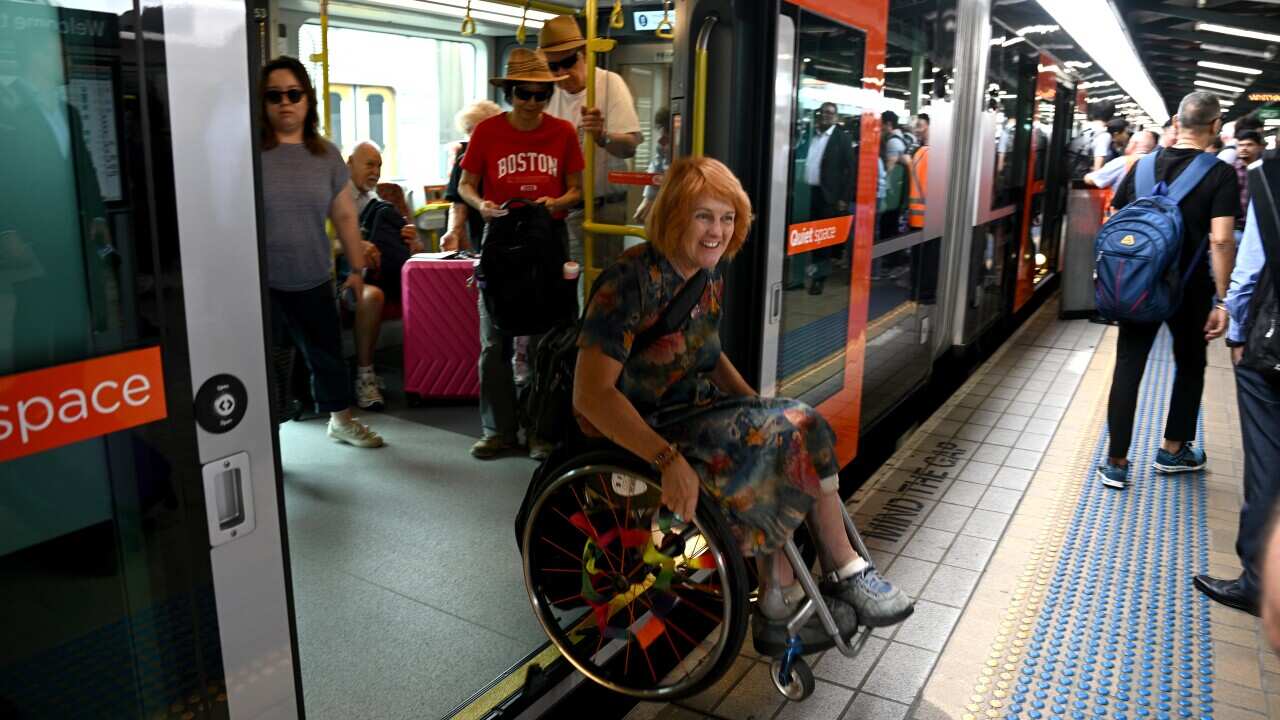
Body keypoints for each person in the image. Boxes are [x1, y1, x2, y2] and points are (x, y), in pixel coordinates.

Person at [572, 156, 913, 652]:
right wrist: (665, 461)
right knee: (771, 443)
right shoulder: (628, 281)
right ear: (673, 216)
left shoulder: (707, 276)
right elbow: (591, 396)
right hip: (639, 429)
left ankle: (842, 572)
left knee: (801, 421)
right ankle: (781, 599)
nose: (718, 231)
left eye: (728, 218)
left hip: (692, 413)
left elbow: (707, 357)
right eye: (704, 216)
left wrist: (758, 405)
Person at [1096, 91, 1239, 488]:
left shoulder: (1141, 166)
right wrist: (1223, 299)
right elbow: (1222, 241)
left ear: (1176, 121)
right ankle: (1173, 451)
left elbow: (1117, 219)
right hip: (1191, 290)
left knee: (1129, 365)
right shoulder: (1220, 173)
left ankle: (1116, 462)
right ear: (1215, 126)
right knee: (1190, 364)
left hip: (1139, 284)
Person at [458, 48, 584, 460]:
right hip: (502, 238)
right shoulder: (487, 133)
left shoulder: (563, 132)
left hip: (547, 236)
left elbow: (578, 190)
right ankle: (499, 429)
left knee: (551, 338)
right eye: (523, 95)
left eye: (540, 96)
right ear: (510, 93)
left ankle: (543, 429)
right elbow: (466, 184)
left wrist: (556, 201)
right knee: (495, 340)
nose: (531, 103)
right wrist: (481, 207)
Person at [259, 56, 382, 447]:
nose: (285, 102)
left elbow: (345, 216)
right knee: (270, 364)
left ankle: (340, 420)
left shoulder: (325, 155)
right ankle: (268, 435)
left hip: (312, 275)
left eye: (294, 93)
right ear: (263, 103)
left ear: (307, 100)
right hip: (264, 282)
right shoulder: (250, 153)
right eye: (274, 95)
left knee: (326, 355)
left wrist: (357, 270)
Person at [1194, 147, 1280, 617]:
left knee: (1267, 462)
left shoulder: (1270, 178)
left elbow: (1248, 265)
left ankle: (1258, 582)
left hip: (1272, 350)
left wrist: (1235, 324)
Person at [539, 15, 642, 270]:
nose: (562, 73)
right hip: (558, 210)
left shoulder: (608, 84)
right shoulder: (546, 94)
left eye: (568, 62)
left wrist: (602, 136)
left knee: (599, 288)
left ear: (584, 54)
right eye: (554, 67)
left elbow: (629, 145)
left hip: (601, 208)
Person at [343, 141, 423, 410]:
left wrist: (412, 241)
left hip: (372, 273)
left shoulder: (376, 202)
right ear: (349, 164)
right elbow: (318, 240)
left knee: (423, 286)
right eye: (369, 164)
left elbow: (407, 248)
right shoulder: (333, 197)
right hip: (336, 277)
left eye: (379, 166)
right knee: (373, 296)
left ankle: (426, 373)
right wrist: (353, 245)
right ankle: (365, 377)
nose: (375, 171)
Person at [801, 102, 855, 295]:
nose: (826, 115)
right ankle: (803, 275)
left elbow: (851, 170)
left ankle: (818, 280)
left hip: (828, 196)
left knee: (821, 240)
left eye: (830, 113)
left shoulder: (842, 138)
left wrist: (844, 198)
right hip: (807, 193)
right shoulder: (811, 135)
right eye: (823, 112)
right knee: (807, 236)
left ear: (836, 116)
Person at [442, 100, 503, 251]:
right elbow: (458, 202)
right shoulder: (464, 156)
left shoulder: (507, 153)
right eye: (468, 131)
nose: (472, 136)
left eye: (476, 131)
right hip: (481, 229)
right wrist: (453, 232)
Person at [1085, 130, 1157, 191]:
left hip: (1123, 206)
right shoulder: (1157, 162)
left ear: (1133, 144)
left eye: (1129, 142)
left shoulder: (1123, 162)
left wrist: (1088, 175)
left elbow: (1092, 180)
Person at [633, 106, 671, 223]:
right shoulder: (662, 144)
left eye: (666, 136)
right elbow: (657, 168)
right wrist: (648, 199)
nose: (661, 141)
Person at [1234, 130, 1264, 233]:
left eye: (1249, 145)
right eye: (1240, 145)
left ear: (1260, 147)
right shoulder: (1230, 171)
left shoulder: (1266, 169)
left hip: (1260, 225)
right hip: (1237, 226)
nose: (1244, 148)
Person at [906, 113, 931, 231]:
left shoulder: (923, 152)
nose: (917, 130)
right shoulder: (920, 149)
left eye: (920, 126)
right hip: (925, 215)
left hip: (919, 215)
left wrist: (907, 162)